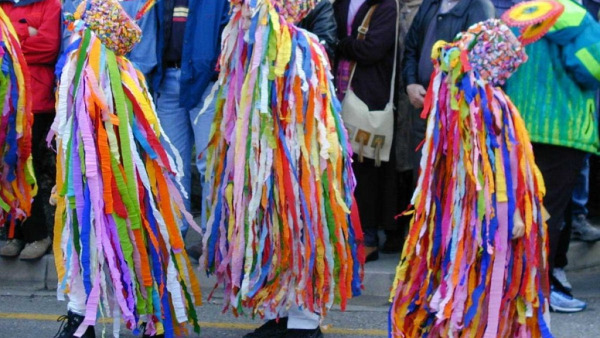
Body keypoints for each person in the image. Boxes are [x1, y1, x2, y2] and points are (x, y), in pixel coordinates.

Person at [505, 0, 600, 313]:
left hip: (519, 128)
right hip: (563, 129)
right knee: (550, 215)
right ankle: (539, 291)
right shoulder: (576, 15)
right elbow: (589, 70)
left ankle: (513, 287)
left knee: (520, 210)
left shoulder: (517, 17)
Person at [152, 0, 229, 260]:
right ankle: (174, 235)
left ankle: (213, 240)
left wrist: (214, 72)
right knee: (171, 164)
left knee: (210, 164)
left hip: (207, 84)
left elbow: (229, 33)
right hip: (168, 80)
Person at [333, 0, 400, 262]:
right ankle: (344, 234)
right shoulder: (342, 2)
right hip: (340, 92)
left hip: (368, 95)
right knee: (343, 167)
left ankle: (367, 239)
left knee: (366, 168)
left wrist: (343, 44)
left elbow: (372, 49)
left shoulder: (385, 5)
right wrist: (348, 44)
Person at [402, 0, 494, 176]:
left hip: (454, 117)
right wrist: (410, 83)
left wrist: (447, 94)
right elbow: (411, 48)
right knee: (421, 179)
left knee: (446, 183)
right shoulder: (431, 3)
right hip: (422, 107)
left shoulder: (480, 7)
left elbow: (478, 64)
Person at [0, 0, 61, 260]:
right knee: (7, 168)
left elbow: (48, 47)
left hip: (37, 102)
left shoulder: (51, 5)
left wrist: (11, 39)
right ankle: (15, 234)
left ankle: (39, 235)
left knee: (32, 169)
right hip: (6, 102)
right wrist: (27, 32)